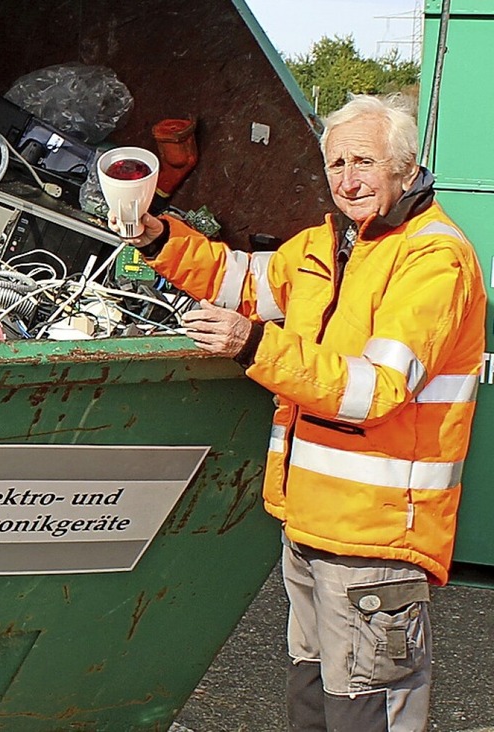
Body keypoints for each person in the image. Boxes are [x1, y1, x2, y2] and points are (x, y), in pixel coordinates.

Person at [108, 93, 486, 732]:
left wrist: (251, 342)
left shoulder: (432, 259)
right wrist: (156, 235)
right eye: (336, 164)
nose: (348, 179)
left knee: (369, 706)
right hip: (309, 523)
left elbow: (376, 390)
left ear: (405, 166)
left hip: (375, 533)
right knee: (316, 696)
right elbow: (238, 280)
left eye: (364, 162)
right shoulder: (327, 244)